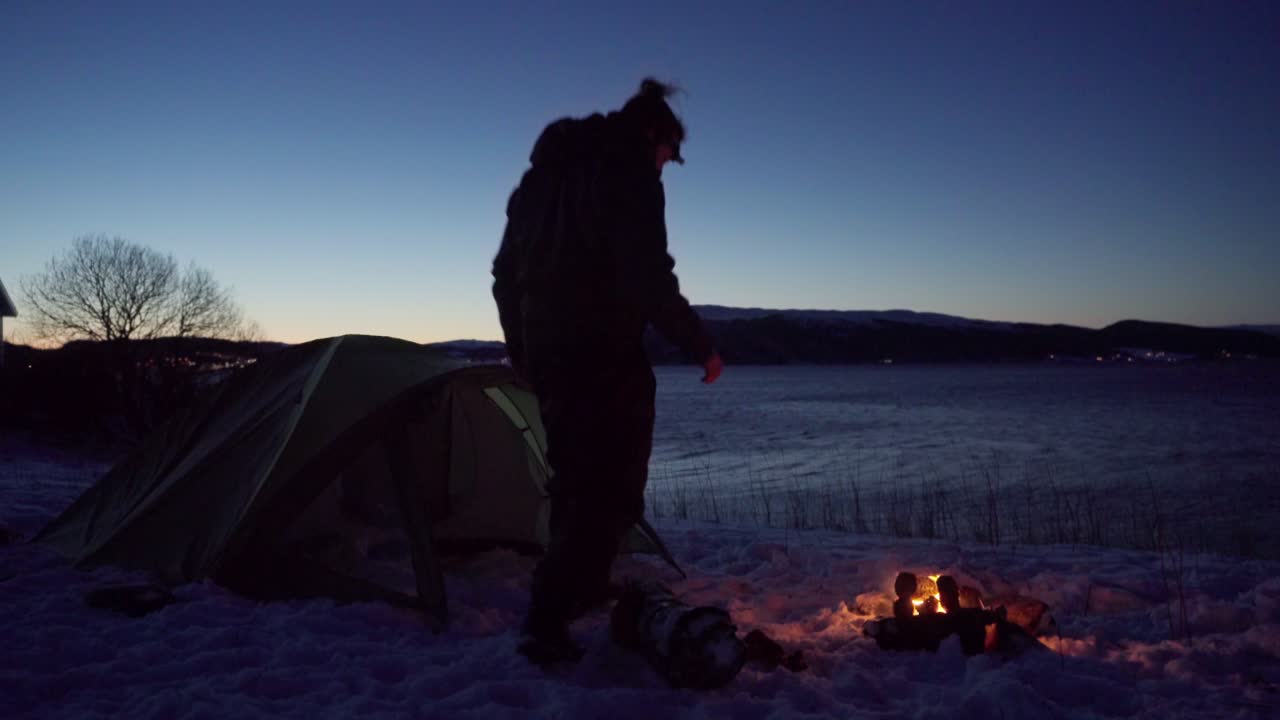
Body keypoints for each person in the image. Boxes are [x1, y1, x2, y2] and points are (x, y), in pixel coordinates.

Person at [491, 78, 722, 664]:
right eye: (670, 155)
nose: (667, 167)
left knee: (574, 475)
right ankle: (546, 618)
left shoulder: (539, 181)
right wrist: (700, 344)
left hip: (550, 352)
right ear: (656, 134)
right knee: (611, 486)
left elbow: (503, 272)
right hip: (600, 350)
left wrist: (522, 346)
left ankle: (578, 590)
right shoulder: (628, 167)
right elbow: (647, 274)